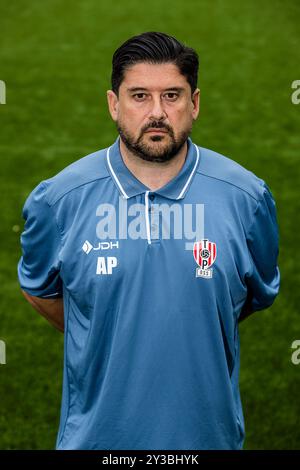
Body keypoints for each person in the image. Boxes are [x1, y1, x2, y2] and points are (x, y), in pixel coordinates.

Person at [17, 31, 280, 450]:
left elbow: (253, 294)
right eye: (139, 96)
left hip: (208, 440)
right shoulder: (59, 200)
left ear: (195, 104)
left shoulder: (247, 198)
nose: (157, 112)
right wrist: (108, 325)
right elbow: (38, 290)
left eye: (172, 96)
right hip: (97, 442)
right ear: (113, 104)